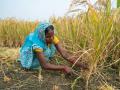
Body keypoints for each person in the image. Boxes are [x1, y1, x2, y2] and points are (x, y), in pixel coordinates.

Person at [19, 22, 88, 74]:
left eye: (52, 36)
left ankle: (43, 58)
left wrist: (81, 64)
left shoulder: (51, 37)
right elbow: (44, 65)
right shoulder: (37, 44)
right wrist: (63, 68)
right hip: (31, 58)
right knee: (46, 53)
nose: (51, 39)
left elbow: (64, 54)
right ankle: (33, 63)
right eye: (48, 37)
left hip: (41, 53)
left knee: (48, 51)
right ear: (42, 35)